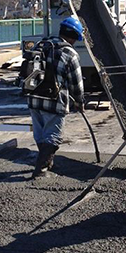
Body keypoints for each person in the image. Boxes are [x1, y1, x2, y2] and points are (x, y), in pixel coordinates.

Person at [28, 17, 84, 178]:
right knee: (53, 136)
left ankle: (47, 161)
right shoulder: (69, 53)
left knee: (40, 134)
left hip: (33, 98)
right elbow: (76, 83)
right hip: (54, 102)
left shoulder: (40, 45)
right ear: (73, 36)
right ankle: (41, 170)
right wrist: (79, 101)